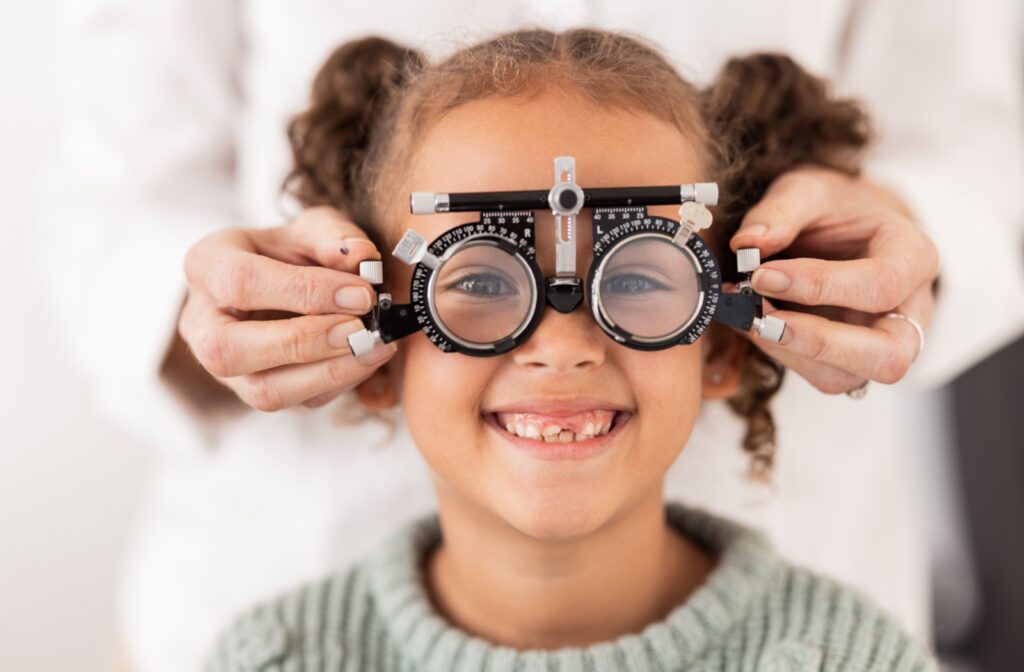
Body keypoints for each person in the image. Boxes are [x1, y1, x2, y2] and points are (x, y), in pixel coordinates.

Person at [35, 2, 1022, 671]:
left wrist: (889, 244)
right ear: (376, 353)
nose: (560, 341)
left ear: (722, 341)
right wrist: (240, 307)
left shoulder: (843, 654)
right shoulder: (276, 653)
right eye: (479, 282)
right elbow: (116, 194)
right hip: (284, 534)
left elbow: (982, 138)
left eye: (636, 277)